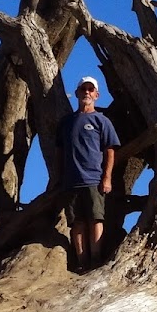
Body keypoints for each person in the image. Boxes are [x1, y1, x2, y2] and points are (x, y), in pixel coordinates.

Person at [57, 75, 121, 271]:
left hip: (94, 178)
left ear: (96, 95)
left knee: (96, 219)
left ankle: (95, 260)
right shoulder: (66, 122)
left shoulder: (101, 121)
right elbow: (59, 151)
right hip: (71, 181)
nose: (87, 92)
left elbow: (110, 150)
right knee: (76, 223)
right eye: (83, 89)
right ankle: (82, 262)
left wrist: (107, 178)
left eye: (90, 89)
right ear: (77, 93)